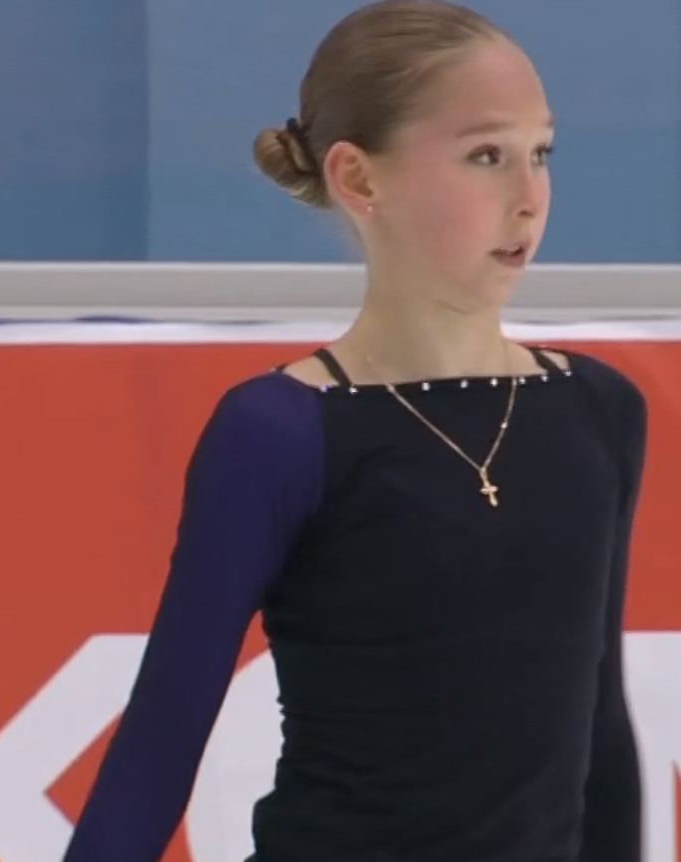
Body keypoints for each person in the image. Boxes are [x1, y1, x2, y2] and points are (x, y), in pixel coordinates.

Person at [61, 1, 647, 860]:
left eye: (540, 153)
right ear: (358, 178)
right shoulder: (279, 431)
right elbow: (162, 737)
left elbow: (598, 728)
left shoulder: (596, 407)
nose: (528, 198)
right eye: (486, 155)